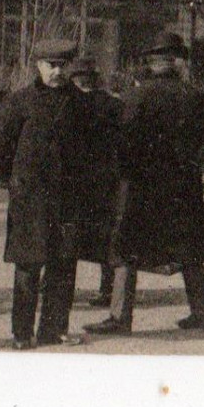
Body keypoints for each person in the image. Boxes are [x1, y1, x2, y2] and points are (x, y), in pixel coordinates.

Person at [87, 32, 204, 336]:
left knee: (126, 250)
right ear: (176, 62)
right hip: (183, 185)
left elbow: (123, 141)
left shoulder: (137, 96)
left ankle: (120, 317)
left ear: (151, 63)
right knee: (190, 251)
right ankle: (203, 312)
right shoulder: (195, 97)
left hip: (143, 186)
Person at [0, 38, 92, 349]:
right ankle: (22, 333)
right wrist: (14, 180)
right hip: (30, 199)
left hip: (68, 199)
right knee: (28, 267)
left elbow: (92, 151)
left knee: (63, 266)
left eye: (62, 65)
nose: (57, 71)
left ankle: (54, 330)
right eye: (51, 65)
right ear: (38, 66)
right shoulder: (20, 102)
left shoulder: (79, 104)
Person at [68, 57, 121, 309]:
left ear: (74, 79)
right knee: (105, 236)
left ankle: (54, 287)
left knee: (66, 232)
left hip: (75, 180)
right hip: (105, 181)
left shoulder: (68, 103)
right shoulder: (114, 104)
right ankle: (107, 290)